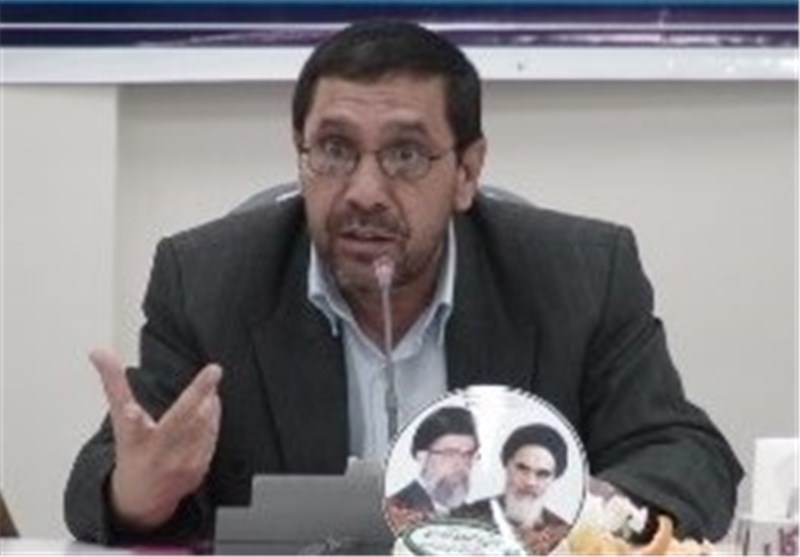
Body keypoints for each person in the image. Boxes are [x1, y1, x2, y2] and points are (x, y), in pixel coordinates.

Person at [63, 20, 743, 547]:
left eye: (406, 154)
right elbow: (107, 479)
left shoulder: (581, 275)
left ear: (467, 173)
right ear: (301, 156)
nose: (363, 190)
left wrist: (585, 512)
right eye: (334, 150)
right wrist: (139, 493)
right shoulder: (209, 280)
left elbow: (688, 457)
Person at [454, 424, 571, 554]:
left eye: (542, 474)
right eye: (522, 468)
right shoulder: (465, 517)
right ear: (507, 465)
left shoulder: (564, 535)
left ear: (553, 478)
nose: (530, 482)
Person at [384, 406, 478, 533]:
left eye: (468, 454)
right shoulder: (397, 509)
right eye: (449, 453)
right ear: (422, 457)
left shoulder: (472, 514)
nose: (460, 464)